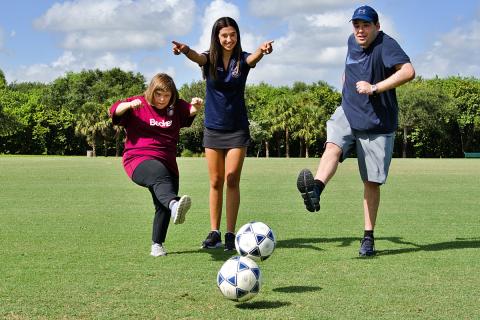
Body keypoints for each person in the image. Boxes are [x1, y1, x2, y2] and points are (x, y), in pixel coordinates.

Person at [297, 5, 415, 257]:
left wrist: (375, 87)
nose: (360, 30)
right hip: (349, 111)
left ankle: (368, 237)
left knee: (371, 182)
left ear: (377, 27)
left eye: (366, 25)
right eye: (357, 25)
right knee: (332, 146)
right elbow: (348, 70)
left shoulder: (386, 45)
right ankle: (315, 190)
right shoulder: (352, 41)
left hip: (377, 123)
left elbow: (408, 71)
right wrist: (346, 90)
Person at [172, 17, 274, 251]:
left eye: (232, 35)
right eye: (224, 35)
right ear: (217, 38)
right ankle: (214, 232)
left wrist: (262, 50)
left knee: (231, 179)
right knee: (216, 181)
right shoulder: (209, 59)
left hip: (237, 128)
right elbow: (197, 57)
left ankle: (230, 234)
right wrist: (185, 49)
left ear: (237, 36)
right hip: (213, 128)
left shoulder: (243, 59)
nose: (229, 39)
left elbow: (253, 58)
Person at [109, 73, 203, 257]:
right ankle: (175, 205)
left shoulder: (175, 106)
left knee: (163, 203)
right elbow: (115, 110)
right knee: (163, 183)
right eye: (158, 94)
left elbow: (189, 111)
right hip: (138, 158)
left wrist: (196, 107)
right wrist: (128, 105)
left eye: (166, 95)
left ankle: (157, 245)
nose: (162, 99)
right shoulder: (138, 103)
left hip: (168, 160)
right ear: (151, 91)